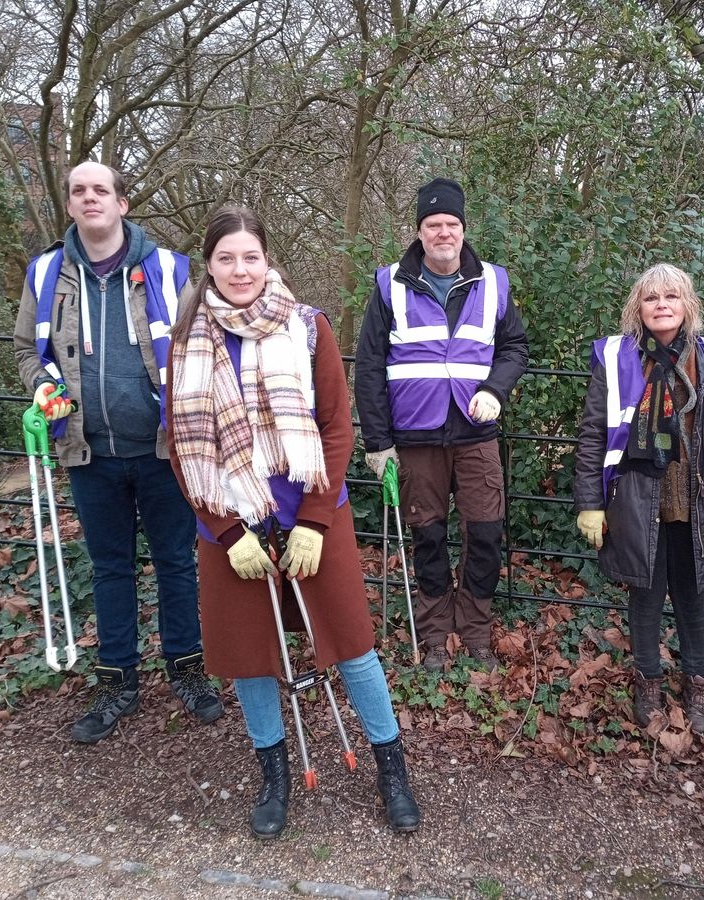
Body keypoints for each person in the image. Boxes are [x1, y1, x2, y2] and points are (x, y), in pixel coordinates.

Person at [165, 205, 420, 838]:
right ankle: (273, 773)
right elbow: (179, 444)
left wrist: (312, 520)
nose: (240, 269)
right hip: (231, 525)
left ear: (268, 260)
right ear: (209, 266)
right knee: (253, 656)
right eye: (226, 258)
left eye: (251, 256)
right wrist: (226, 531)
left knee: (353, 644)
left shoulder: (308, 329)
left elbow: (336, 427)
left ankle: (392, 769)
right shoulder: (184, 341)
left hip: (312, 515)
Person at [14, 161, 222, 743]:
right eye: (77, 190)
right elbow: (25, 350)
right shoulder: (46, 273)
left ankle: (187, 670)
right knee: (110, 569)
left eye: (100, 189)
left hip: (161, 450)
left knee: (178, 563)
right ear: (69, 203)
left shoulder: (166, 268)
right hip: (89, 452)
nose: (88, 198)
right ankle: (117, 681)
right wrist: (41, 387)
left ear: (122, 203)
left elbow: (198, 349)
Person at [354, 178, 528, 672]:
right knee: (427, 536)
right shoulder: (390, 283)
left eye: (452, 224)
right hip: (415, 438)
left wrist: (495, 390)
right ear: (420, 232)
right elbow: (369, 365)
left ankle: (474, 630)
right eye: (434, 225)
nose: (443, 232)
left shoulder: (493, 281)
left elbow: (515, 347)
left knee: (487, 533)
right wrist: (377, 441)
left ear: (463, 229)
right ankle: (433, 633)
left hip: (476, 435)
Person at [571, 264, 704, 735]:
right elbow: (592, 432)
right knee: (645, 596)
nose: (662, 305)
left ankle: (696, 682)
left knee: (694, 597)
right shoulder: (617, 357)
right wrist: (590, 501)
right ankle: (647, 679)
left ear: (688, 304)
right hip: (636, 498)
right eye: (651, 298)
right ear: (638, 307)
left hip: (698, 501)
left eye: (671, 296)